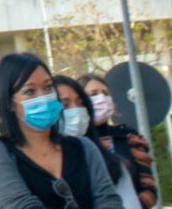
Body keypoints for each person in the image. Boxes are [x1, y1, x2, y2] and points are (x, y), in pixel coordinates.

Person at [0, 53, 123, 208]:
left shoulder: (84, 147)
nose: (44, 97)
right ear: (9, 103)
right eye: (29, 91)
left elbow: (109, 200)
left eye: (48, 87)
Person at [54, 75, 141, 209]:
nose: (75, 110)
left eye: (81, 104)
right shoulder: (28, 163)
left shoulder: (111, 162)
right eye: (65, 105)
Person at [80, 73, 158, 208]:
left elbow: (149, 187)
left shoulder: (129, 137)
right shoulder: (75, 143)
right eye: (93, 94)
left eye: (105, 93)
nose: (101, 98)